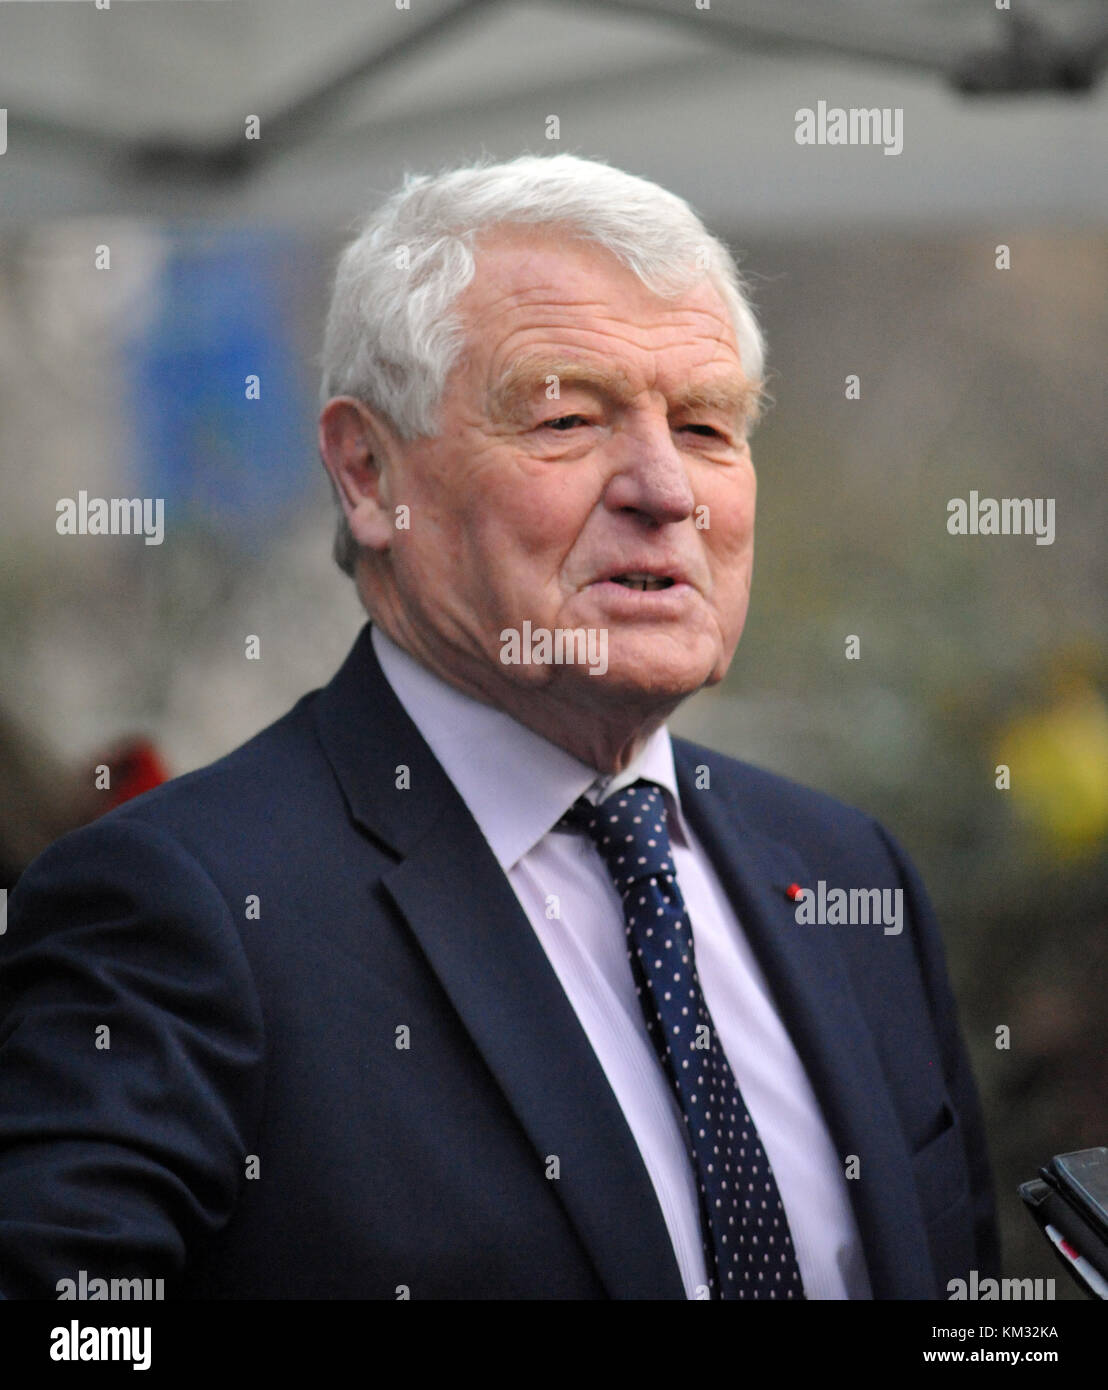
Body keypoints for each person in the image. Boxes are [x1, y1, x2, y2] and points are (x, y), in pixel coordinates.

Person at [0, 154, 999, 1300]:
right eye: (568, 417)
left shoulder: (844, 874)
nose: (665, 488)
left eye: (709, 428)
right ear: (369, 473)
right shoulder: (180, 907)